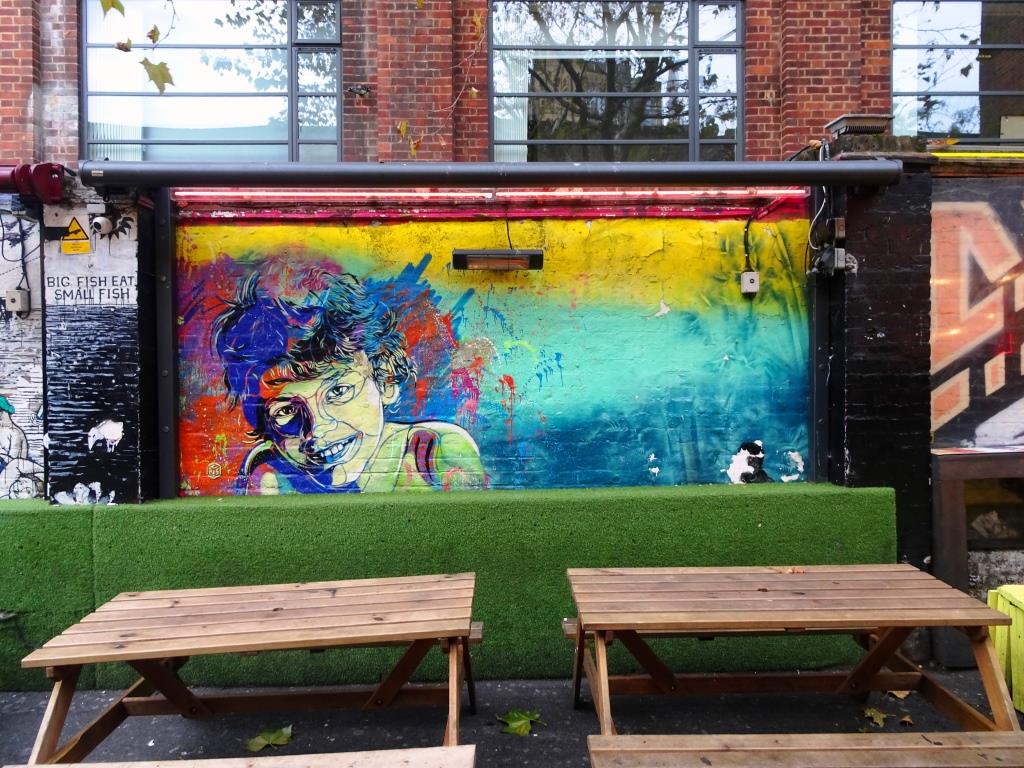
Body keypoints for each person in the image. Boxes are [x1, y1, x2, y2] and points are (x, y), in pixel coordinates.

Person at [213, 269, 485, 494]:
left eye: (339, 391)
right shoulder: (269, 472)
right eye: (285, 410)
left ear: (386, 380)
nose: (317, 430)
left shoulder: (432, 455)